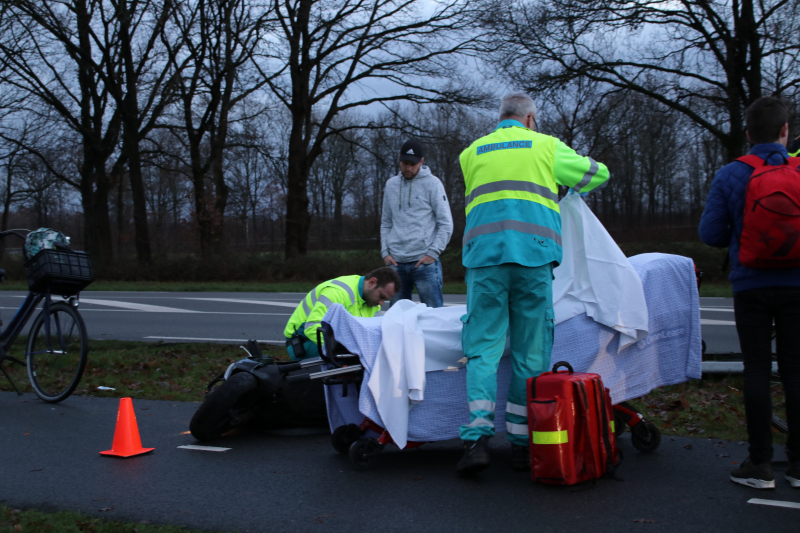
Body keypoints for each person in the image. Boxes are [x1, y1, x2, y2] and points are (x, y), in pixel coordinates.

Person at [456, 92, 609, 474]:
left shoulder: (471, 153)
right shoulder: (546, 147)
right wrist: (566, 185)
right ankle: (524, 443)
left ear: (501, 117)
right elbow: (597, 174)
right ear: (529, 118)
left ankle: (476, 441)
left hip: (485, 261)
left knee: (483, 350)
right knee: (530, 353)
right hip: (533, 258)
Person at [699, 96, 800, 490]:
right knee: (795, 369)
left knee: (757, 369)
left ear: (747, 133)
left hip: (751, 285)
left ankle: (760, 464)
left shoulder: (731, 174)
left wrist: (741, 233)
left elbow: (710, 233)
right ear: (785, 130)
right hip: (796, 285)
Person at [381, 139, 453, 308]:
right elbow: (386, 222)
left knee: (434, 316)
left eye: (413, 164)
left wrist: (433, 253)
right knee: (397, 317)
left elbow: (446, 223)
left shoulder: (433, 184)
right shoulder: (391, 185)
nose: (408, 168)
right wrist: (385, 253)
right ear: (399, 159)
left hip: (424, 263)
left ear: (421, 161)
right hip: (396, 263)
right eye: (405, 163)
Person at [284, 267, 401, 360]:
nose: (381, 303)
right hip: (301, 342)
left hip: (333, 341)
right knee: (354, 357)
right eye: (381, 296)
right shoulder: (337, 292)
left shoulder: (372, 300)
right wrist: (349, 346)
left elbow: (373, 332)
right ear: (372, 282)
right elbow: (312, 328)